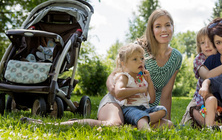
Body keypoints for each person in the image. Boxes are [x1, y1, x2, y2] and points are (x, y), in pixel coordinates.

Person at [22, 9, 181, 128]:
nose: (164, 30)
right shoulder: (139, 49)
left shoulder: (176, 57)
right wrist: (115, 90)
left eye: (168, 25)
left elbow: (166, 94)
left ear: (173, 27)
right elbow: (115, 76)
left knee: (168, 126)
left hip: (141, 108)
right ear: (151, 30)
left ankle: (132, 123)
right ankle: (50, 126)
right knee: (113, 124)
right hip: (118, 100)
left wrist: (162, 117)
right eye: (158, 26)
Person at [113, 43, 167, 130]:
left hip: (144, 109)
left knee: (163, 111)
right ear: (124, 64)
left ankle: (135, 126)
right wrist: (139, 89)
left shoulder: (143, 78)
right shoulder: (125, 77)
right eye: (135, 59)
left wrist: (149, 81)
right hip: (130, 109)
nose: (140, 61)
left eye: (142, 58)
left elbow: (152, 99)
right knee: (142, 117)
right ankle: (145, 129)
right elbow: (118, 92)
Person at [180, 27, 217, 125]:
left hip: (215, 98)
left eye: (210, 41)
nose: (207, 45)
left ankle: (212, 124)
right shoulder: (199, 59)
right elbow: (207, 75)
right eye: (202, 43)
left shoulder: (221, 57)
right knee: (187, 122)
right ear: (199, 46)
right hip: (200, 97)